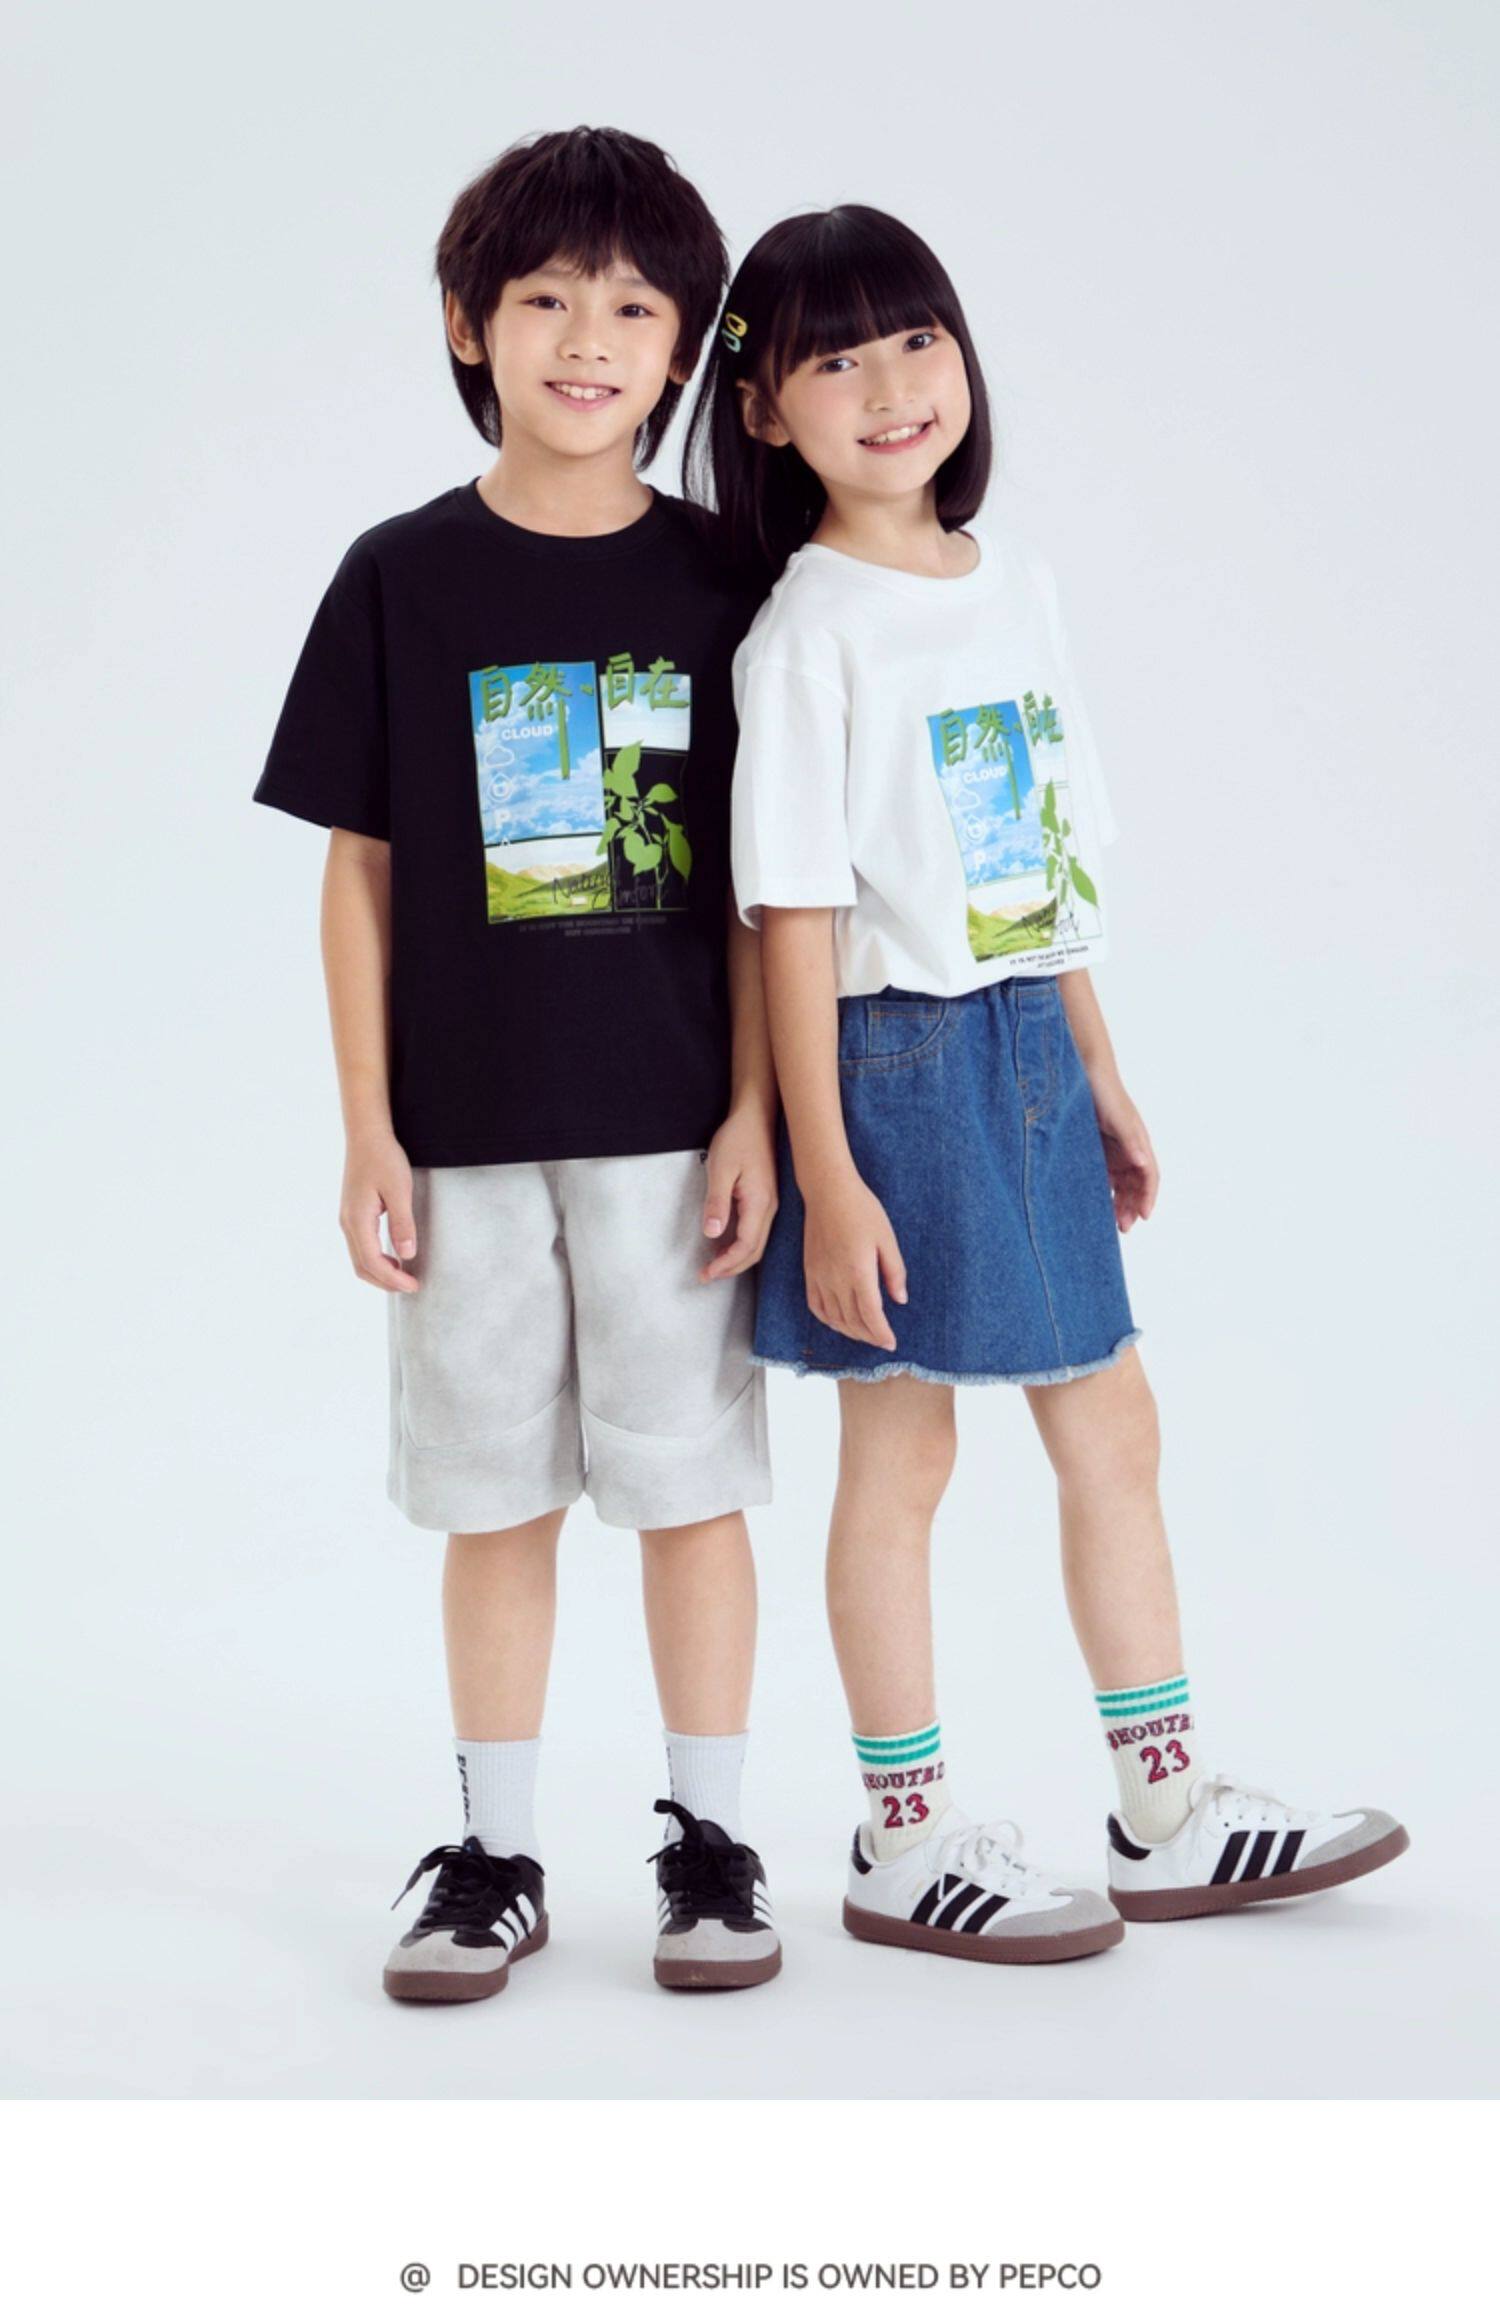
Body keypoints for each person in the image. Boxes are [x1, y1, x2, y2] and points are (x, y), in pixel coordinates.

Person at [687, 204, 1408, 1963]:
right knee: (905, 1447)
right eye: (835, 359)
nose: (890, 386)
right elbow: (789, 919)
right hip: (895, 1059)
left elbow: (1034, 847)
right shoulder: (806, 635)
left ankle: (1163, 1808)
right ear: (766, 411)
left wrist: (1097, 1061)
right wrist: (829, 1169)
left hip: (1023, 1038)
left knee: (1113, 1420)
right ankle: (903, 1836)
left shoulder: (1013, 583)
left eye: (916, 338)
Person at [255, 127, 782, 2001]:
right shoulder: (402, 577)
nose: (587, 339)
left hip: (673, 1135)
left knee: (692, 1487)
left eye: (633, 308)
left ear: (683, 346)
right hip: (463, 1134)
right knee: (493, 1500)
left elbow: (767, 888)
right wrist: (365, 1126)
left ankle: (712, 1846)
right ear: (469, 324)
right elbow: (360, 867)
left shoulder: (732, 583)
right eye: (547, 298)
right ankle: (493, 1854)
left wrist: (754, 1109)